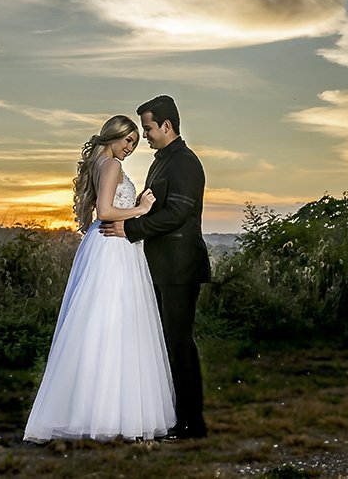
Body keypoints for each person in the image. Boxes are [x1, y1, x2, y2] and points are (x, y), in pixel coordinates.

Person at [23, 115, 175, 443]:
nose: (131, 148)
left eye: (135, 143)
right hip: (113, 247)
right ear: (114, 137)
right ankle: (111, 413)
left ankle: (98, 410)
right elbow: (105, 212)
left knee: (102, 325)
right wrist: (141, 209)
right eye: (128, 141)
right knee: (113, 324)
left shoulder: (101, 164)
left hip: (107, 245)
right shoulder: (111, 166)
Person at [100, 96, 210, 439]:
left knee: (178, 343)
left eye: (147, 128)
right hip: (160, 266)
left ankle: (192, 423)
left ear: (167, 126)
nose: (145, 135)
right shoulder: (163, 162)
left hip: (180, 268)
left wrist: (129, 229)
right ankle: (170, 416)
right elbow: (150, 207)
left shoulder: (185, 163)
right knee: (163, 345)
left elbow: (177, 213)